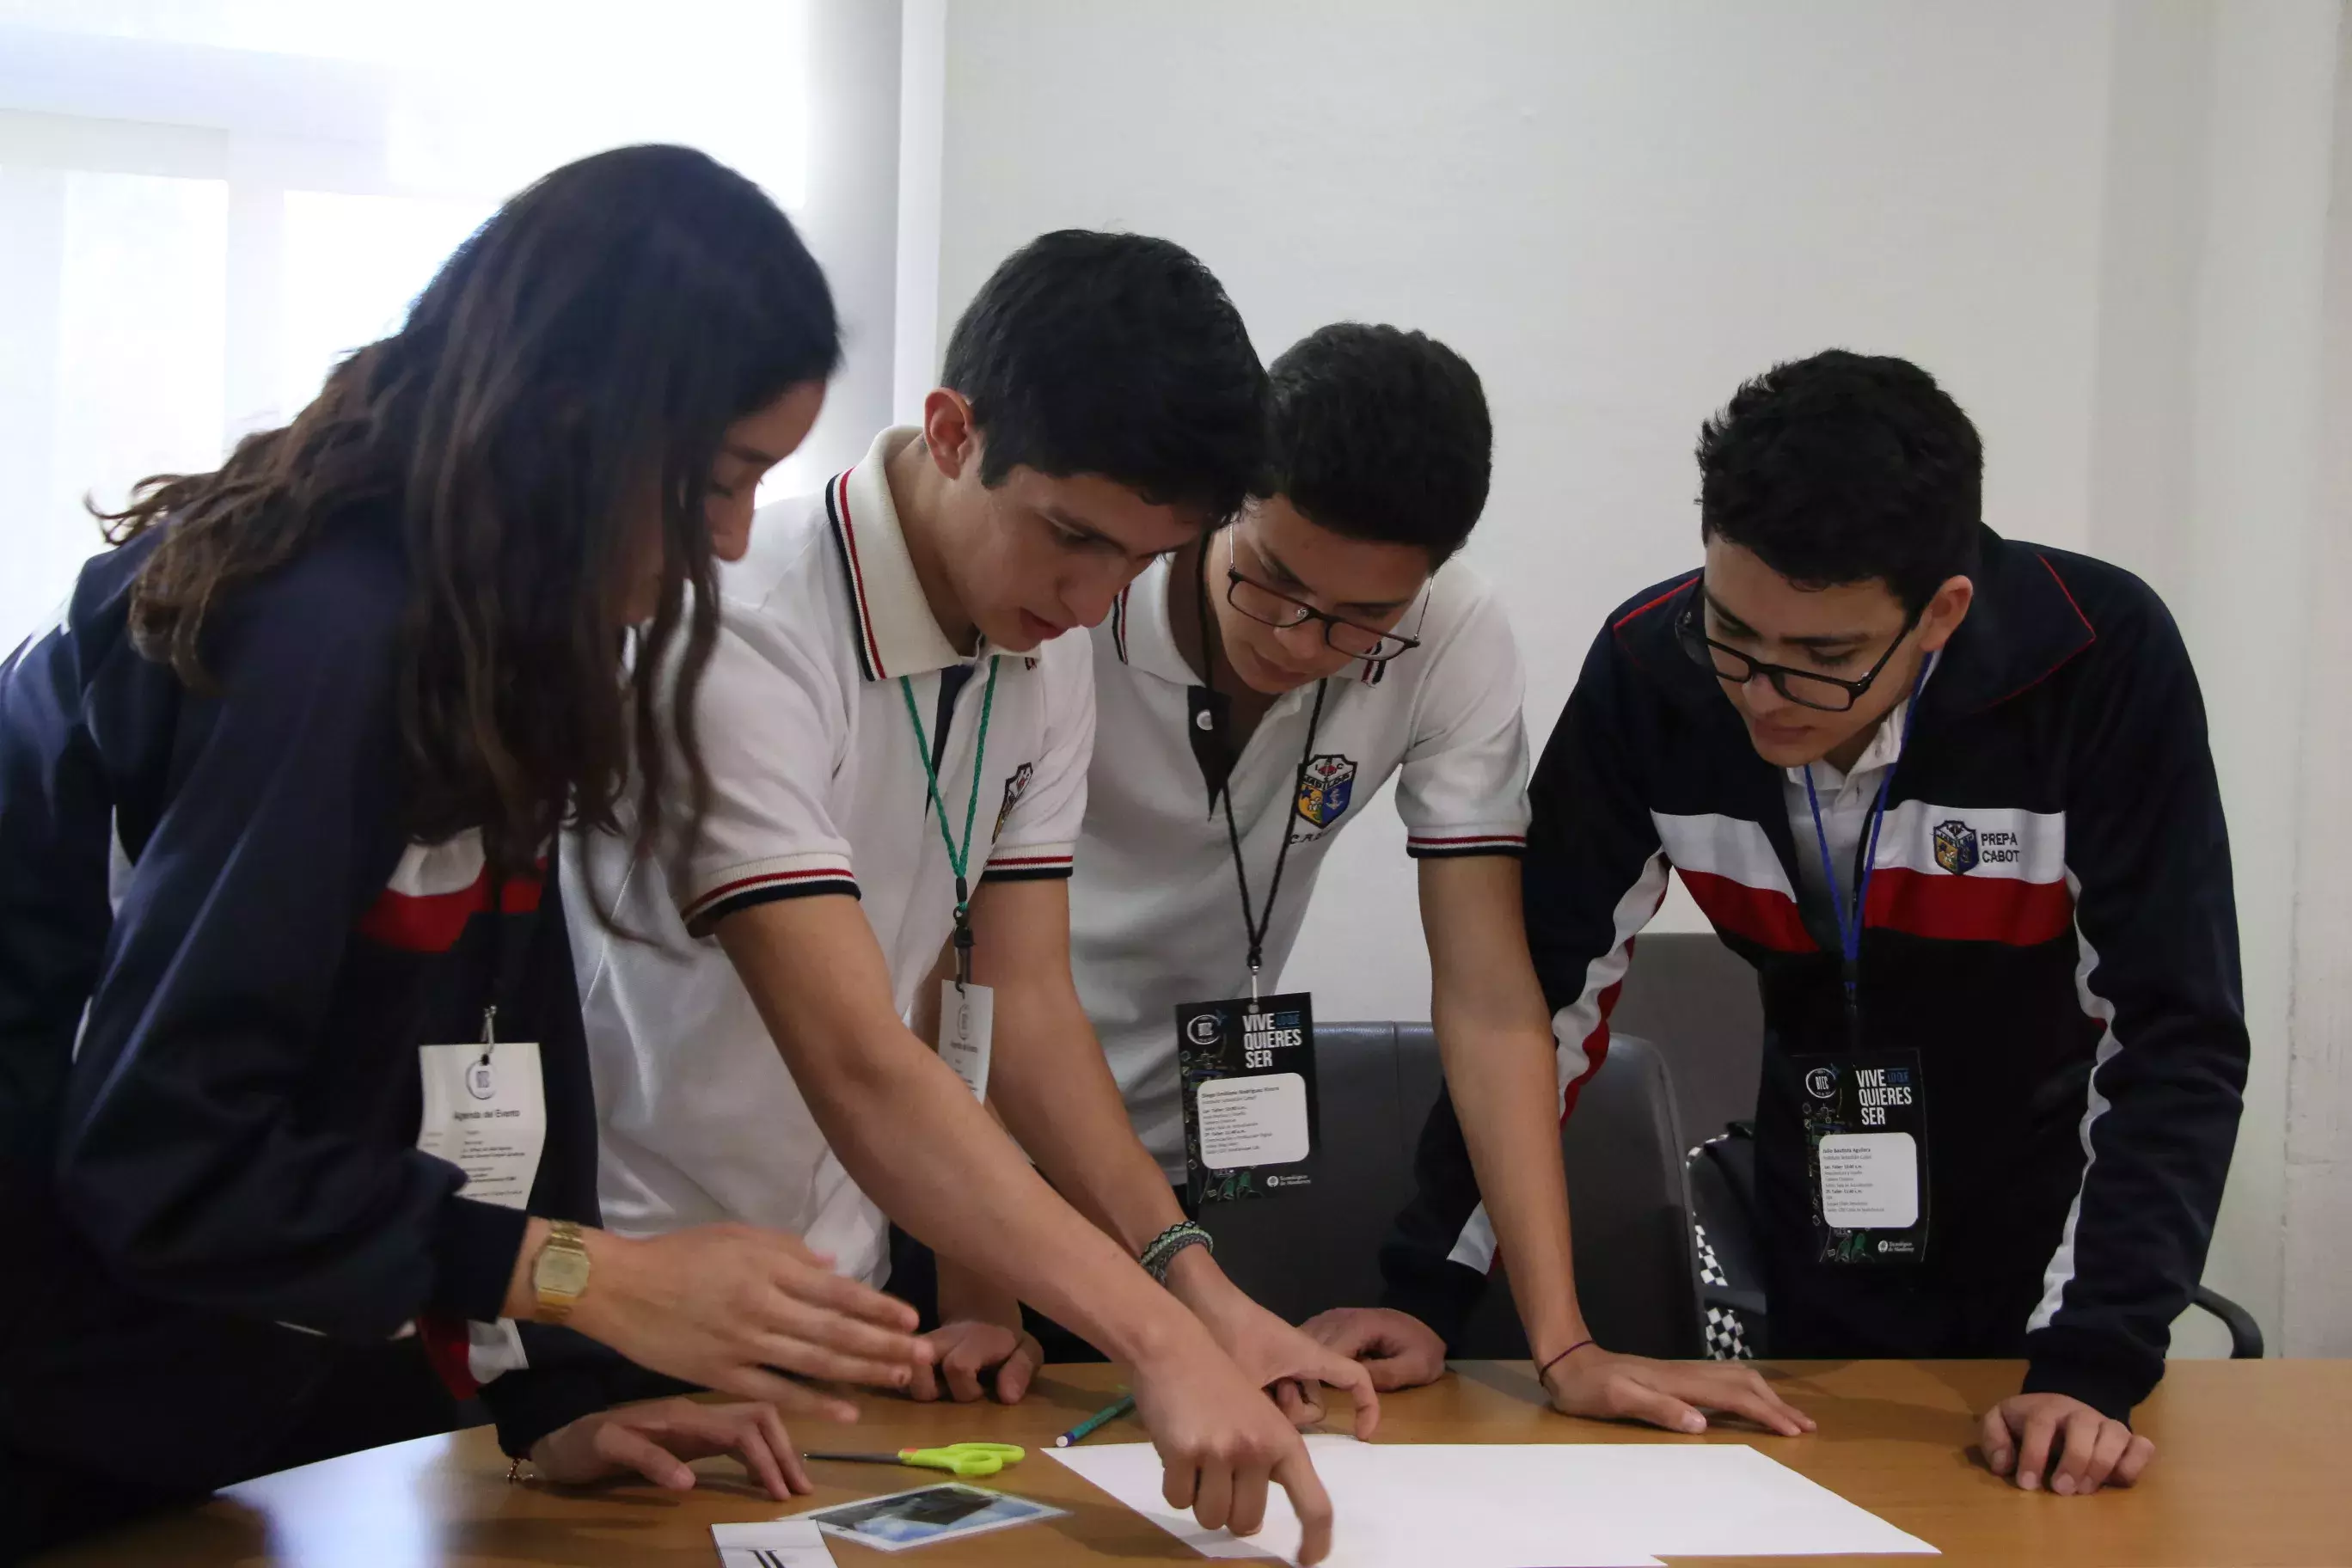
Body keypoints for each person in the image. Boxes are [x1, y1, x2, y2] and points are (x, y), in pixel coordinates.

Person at [0, 145, 929, 1558]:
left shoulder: (486, 628)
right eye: (718, 480)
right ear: (581, 424)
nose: (729, 545)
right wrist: (583, 1275)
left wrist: (558, 1390)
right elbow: (161, 1149)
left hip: (184, 1379)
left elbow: (501, 1021)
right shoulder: (327, 633)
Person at [566, 231, 1374, 1565]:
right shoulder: (742, 631)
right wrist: (1159, 1339)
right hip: (638, 1299)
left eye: (1143, 561)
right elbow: (861, 1063)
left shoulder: (1039, 648)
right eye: (1073, 538)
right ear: (951, 431)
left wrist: (1202, 1287)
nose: (1091, 597)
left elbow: (1030, 1006)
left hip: (840, 1313)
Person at [1377, 350, 2246, 1497]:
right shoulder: (1655, 670)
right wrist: (1426, 1287)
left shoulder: (2096, 661)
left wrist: (2094, 1361)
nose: (1765, 693)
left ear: (1941, 613)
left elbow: (2174, 1035)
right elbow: (1535, 997)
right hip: (1817, 1195)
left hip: (2046, 1225)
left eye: (1824, 658)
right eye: (1734, 634)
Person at [1027, 321, 1803, 1438]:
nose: (1298, 641)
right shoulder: (1082, 607)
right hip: (972, 1159)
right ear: (1225, 504)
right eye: (1273, 583)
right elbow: (981, 958)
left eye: (1362, 620)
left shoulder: (1453, 637)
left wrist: (1564, 1343)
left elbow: (1492, 999)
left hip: (1169, 1181)